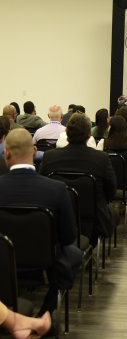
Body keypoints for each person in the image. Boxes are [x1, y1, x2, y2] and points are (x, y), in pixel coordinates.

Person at [0, 129, 82, 316]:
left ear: (7, 152)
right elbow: (69, 236)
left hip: (3, 261)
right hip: (46, 262)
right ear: (34, 151)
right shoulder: (57, 189)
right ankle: (47, 311)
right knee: (74, 254)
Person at [40, 113, 117, 244]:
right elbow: (111, 191)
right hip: (93, 222)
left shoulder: (49, 157)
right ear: (89, 134)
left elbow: (42, 190)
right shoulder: (101, 159)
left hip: (57, 220)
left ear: (67, 132)